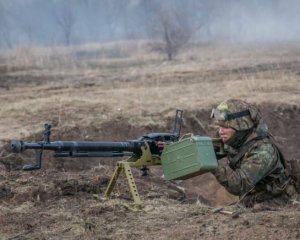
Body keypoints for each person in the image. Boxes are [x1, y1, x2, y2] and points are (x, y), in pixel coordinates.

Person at [210, 99, 295, 208]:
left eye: (226, 127)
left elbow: (238, 185)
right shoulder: (237, 139)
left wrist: (211, 164)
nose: (220, 131)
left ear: (241, 127)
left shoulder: (263, 152)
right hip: (254, 199)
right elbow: (213, 148)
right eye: (219, 127)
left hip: (278, 201)